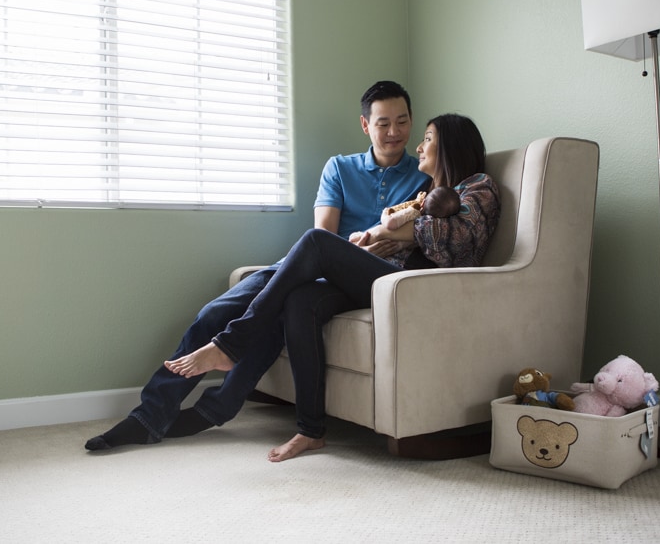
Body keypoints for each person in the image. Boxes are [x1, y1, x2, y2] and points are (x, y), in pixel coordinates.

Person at [85, 80, 430, 451]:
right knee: (215, 312)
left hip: (348, 280)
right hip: (306, 263)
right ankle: (150, 416)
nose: (394, 132)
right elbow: (324, 233)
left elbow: (401, 239)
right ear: (366, 125)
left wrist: (366, 246)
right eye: (383, 123)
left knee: (285, 305)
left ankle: (216, 395)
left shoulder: (423, 177)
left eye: (402, 121)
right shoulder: (340, 168)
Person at [164, 113, 501, 461]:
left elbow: (455, 235)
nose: (418, 145)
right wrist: (380, 239)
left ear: (451, 145)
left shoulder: (479, 185)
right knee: (301, 299)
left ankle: (231, 344)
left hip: (419, 288)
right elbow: (397, 232)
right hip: (389, 278)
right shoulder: (423, 194)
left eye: (427, 138)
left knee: (317, 241)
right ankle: (310, 430)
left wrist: (386, 233)